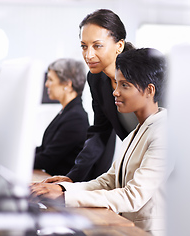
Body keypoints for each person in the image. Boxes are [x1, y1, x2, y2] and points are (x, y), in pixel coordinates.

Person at [31, 48, 171, 236]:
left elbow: (133, 196)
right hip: (127, 229)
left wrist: (66, 198)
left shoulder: (165, 133)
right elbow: (109, 181)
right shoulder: (135, 133)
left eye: (125, 85)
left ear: (149, 90)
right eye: (116, 83)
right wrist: (64, 188)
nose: (115, 92)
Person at [44, 9, 137, 183]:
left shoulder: (144, 75)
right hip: (137, 165)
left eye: (97, 45)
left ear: (119, 45)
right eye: (84, 46)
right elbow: (100, 132)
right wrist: (72, 178)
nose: (88, 55)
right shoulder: (96, 78)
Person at [34, 58, 89, 176]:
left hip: (60, 186)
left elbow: (47, 159)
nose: (46, 84)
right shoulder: (67, 112)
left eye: (50, 79)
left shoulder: (76, 118)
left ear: (67, 85)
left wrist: (17, 159)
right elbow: (45, 149)